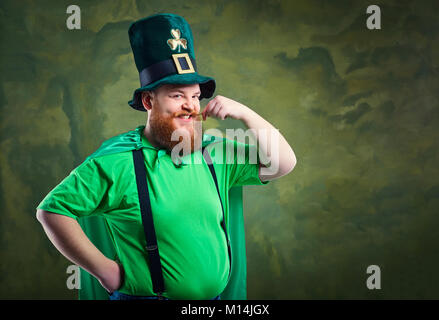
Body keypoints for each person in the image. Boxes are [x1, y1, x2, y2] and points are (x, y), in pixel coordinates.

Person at [36, 13, 296, 300]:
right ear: (148, 101)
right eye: (177, 96)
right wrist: (105, 271)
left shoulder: (213, 153)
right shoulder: (117, 161)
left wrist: (245, 113)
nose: (191, 106)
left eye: (196, 96)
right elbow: (51, 211)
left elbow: (283, 163)